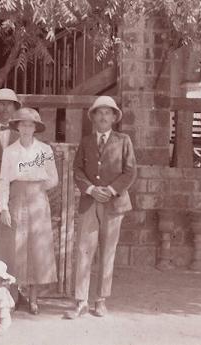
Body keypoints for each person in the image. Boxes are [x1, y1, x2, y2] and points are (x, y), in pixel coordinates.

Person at [64, 96, 137, 319]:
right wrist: (91, 189)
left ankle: (101, 300)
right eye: (99, 113)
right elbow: (77, 170)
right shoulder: (86, 142)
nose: (104, 117)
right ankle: (81, 301)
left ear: (114, 117)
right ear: (93, 117)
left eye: (108, 113)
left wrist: (111, 190)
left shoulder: (123, 140)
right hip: (90, 202)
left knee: (107, 252)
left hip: (114, 204)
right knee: (84, 250)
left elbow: (130, 171)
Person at [0, 107, 59, 315]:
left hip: (38, 200)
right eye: (22, 124)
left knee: (37, 248)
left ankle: (33, 298)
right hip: (16, 198)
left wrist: (37, 188)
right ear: (17, 127)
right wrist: (4, 207)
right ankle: (12, 296)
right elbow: (4, 180)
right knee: (15, 246)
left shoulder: (44, 150)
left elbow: (53, 178)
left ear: (35, 128)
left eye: (30, 125)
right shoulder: (11, 151)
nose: (26, 128)